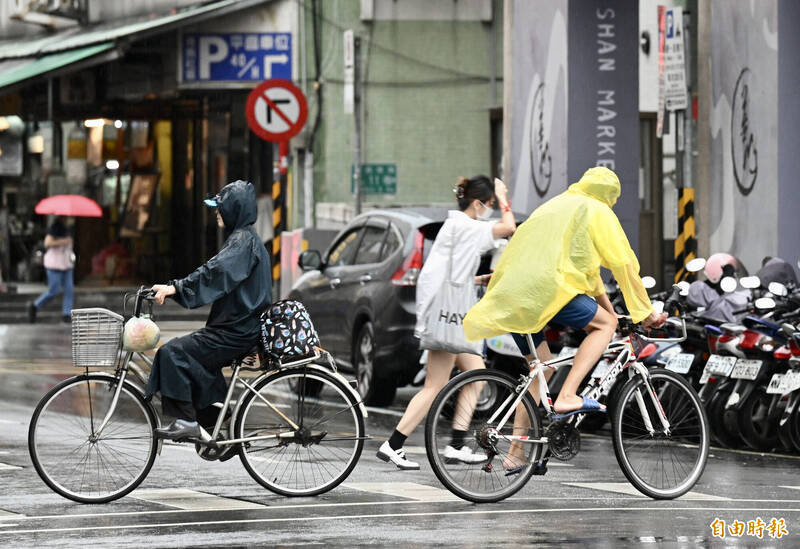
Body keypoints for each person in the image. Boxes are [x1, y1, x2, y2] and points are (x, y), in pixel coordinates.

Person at [463, 167, 666, 471]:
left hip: (514, 292)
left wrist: (609, 311)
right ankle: (569, 395)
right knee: (605, 327)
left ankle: (516, 454)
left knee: (539, 371)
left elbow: (591, 276)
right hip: (547, 289)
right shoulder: (596, 209)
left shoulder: (554, 206)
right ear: (610, 196)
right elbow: (623, 263)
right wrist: (644, 312)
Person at [376, 175, 517, 470]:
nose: (491, 208)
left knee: (475, 374)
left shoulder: (455, 226)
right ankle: (397, 444)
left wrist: (478, 279)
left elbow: (452, 273)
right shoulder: (466, 226)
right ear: (478, 203)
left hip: (446, 314)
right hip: (450, 317)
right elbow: (508, 228)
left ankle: (453, 444)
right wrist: (505, 198)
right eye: (489, 204)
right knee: (436, 385)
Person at [147, 180, 272, 441]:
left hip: (237, 331)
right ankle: (217, 421)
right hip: (237, 327)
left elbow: (215, 273)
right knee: (193, 359)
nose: (216, 212)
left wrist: (176, 288)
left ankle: (186, 420)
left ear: (234, 210)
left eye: (221, 207)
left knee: (173, 353)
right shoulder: (244, 240)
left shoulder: (242, 242)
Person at [28, 216, 75, 323]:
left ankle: (67, 313)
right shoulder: (55, 228)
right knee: (54, 290)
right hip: (54, 264)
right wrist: (63, 241)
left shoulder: (68, 229)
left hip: (66, 263)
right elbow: (47, 243)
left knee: (69, 289)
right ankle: (35, 306)